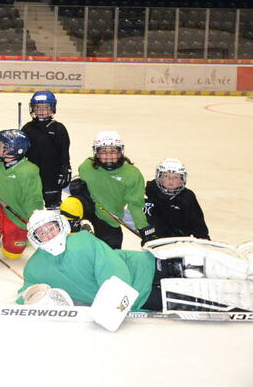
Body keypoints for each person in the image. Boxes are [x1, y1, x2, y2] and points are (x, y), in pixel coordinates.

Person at [21, 209, 253, 330]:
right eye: (42, 232)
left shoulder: (82, 240)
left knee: (212, 264)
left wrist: (115, 298)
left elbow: (111, 266)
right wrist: (38, 298)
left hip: (153, 265)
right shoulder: (35, 267)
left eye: (51, 227)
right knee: (214, 293)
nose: (48, 234)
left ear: (60, 226)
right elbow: (28, 290)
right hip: (146, 298)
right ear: (35, 238)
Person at [68, 130, 154, 249]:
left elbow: (135, 205)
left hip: (108, 218)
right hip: (88, 209)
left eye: (113, 151)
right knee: (70, 205)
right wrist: (76, 185)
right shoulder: (86, 166)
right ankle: (73, 236)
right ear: (96, 153)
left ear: (120, 152)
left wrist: (142, 227)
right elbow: (79, 183)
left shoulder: (132, 174)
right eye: (103, 151)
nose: (108, 155)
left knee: (111, 249)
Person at [0, 129, 44, 260]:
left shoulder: (29, 171)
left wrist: (34, 223)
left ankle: (10, 231)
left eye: (1, 145)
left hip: (17, 217)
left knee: (11, 255)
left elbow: (33, 200)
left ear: (14, 150)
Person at [21, 91, 72, 208]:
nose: (41, 111)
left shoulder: (59, 128)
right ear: (32, 108)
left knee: (53, 206)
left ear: (52, 108)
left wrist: (65, 168)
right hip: (32, 175)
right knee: (31, 204)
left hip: (52, 175)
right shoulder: (27, 128)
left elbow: (64, 152)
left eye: (46, 107)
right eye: (37, 107)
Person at [144, 158, 210, 240]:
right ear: (160, 178)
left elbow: (198, 224)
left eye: (175, 177)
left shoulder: (187, 197)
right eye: (166, 176)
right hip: (155, 238)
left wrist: (204, 239)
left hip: (179, 240)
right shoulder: (152, 189)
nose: (170, 180)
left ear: (181, 180)